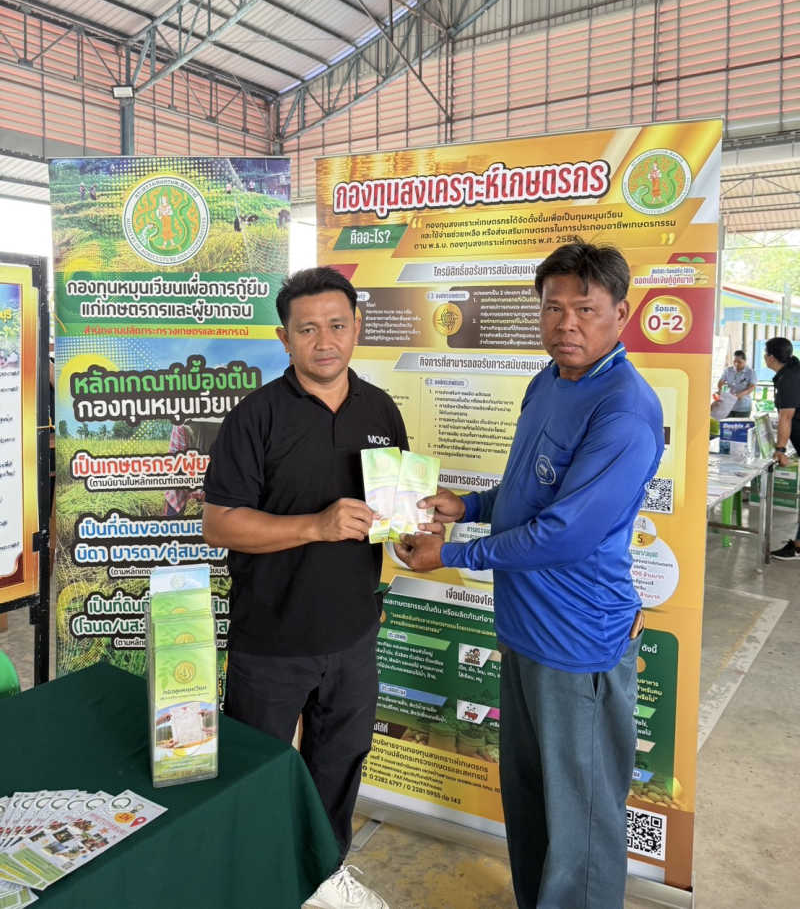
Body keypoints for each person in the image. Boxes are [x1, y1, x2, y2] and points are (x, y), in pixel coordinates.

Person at [394, 240, 665, 909]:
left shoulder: (624, 411)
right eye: (553, 308)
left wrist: (450, 555)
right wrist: (467, 507)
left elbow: (564, 534)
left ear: (621, 314)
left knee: (582, 826)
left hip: (578, 643)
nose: (566, 324)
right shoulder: (548, 382)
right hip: (524, 631)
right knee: (531, 799)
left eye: (585, 309)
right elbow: (527, 494)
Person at [203, 266, 412, 909]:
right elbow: (219, 524)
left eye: (338, 325)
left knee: (338, 770)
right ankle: (251, 887)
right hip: (272, 640)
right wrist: (315, 526)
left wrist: (413, 532)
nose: (326, 341)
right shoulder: (256, 416)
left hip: (354, 636)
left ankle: (322, 879)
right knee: (257, 776)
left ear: (357, 328)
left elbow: (394, 513)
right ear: (284, 338)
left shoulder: (381, 409)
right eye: (308, 329)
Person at [764, 337, 800, 561]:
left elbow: (786, 417)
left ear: (771, 357)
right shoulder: (789, 374)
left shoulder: (788, 379)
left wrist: (781, 449)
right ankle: (797, 545)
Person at [717, 350, 757, 417]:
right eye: (734, 362)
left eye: (739, 362)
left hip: (743, 406)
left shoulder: (751, 372)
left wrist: (741, 394)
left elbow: (752, 387)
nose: (736, 364)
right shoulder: (728, 370)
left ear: (745, 361)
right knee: (727, 423)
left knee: (741, 423)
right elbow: (721, 382)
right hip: (729, 404)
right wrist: (720, 391)